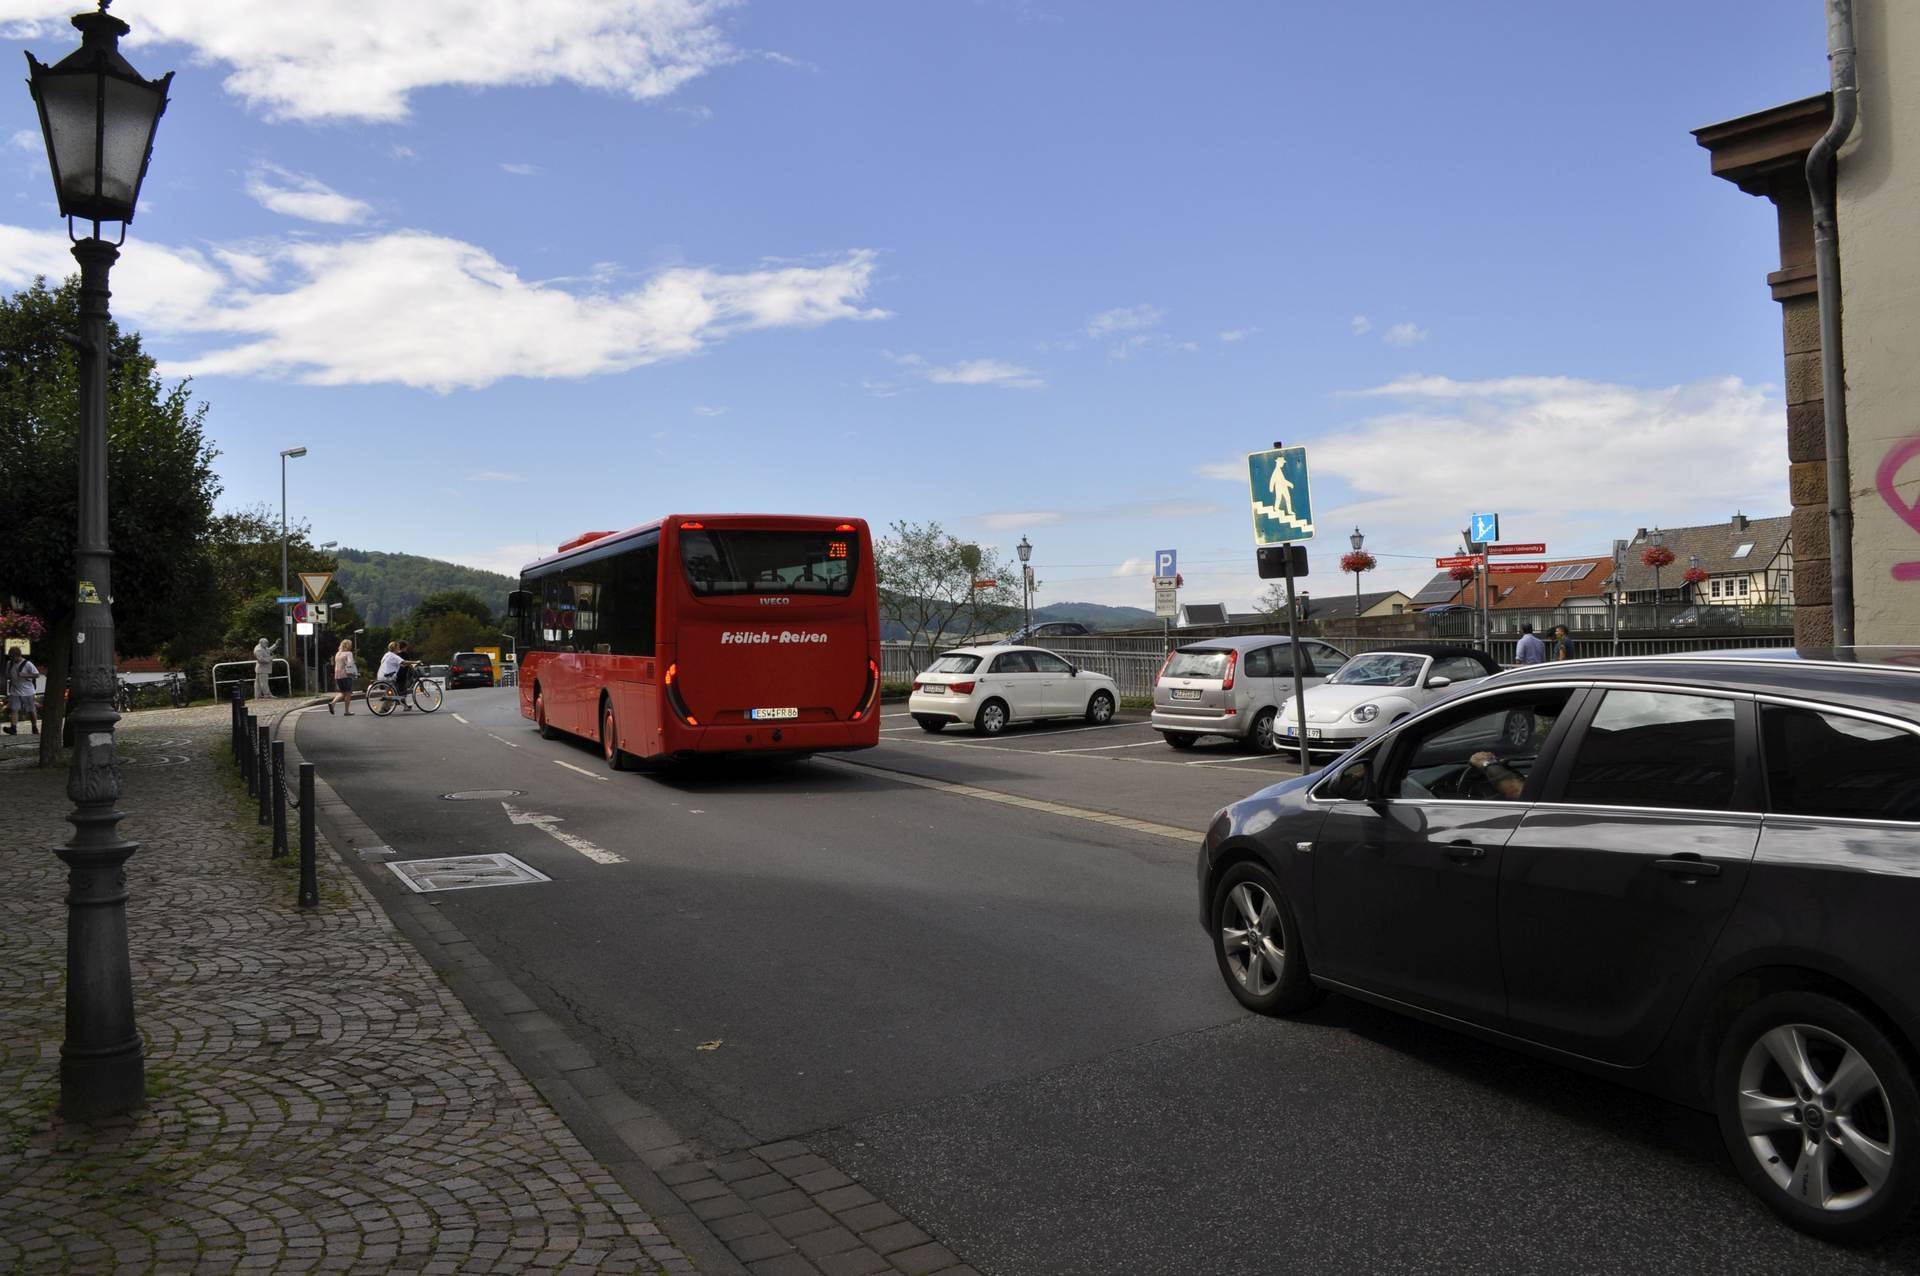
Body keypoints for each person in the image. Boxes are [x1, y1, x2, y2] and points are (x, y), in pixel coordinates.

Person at [4, 648, 39, 735]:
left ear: (17, 656)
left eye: (12, 657)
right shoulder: (10, 663)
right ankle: (13, 728)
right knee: (14, 709)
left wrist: (25, 675)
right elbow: (7, 675)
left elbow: (37, 674)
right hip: (15, 691)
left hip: (28, 692)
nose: (11, 659)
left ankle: (34, 727)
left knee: (31, 710)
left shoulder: (28, 664)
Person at [375, 641, 410, 711]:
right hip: (387, 677)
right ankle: (384, 709)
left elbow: (396, 663)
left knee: (392, 691)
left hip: (380, 676)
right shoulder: (394, 656)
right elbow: (403, 662)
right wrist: (416, 662)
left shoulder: (387, 654)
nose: (399, 649)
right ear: (395, 648)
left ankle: (401, 704)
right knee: (392, 693)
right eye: (398, 647)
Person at [329, 639, 357, 716]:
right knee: (348, 693)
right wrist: (354, 672)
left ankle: (333, 703)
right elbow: (350, 664)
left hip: (337, 676)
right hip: (346, 675)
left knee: (342, 692)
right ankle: (347, 711)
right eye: (350, 644)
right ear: (348, 645)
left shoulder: (337, 654)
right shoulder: (349, 653)